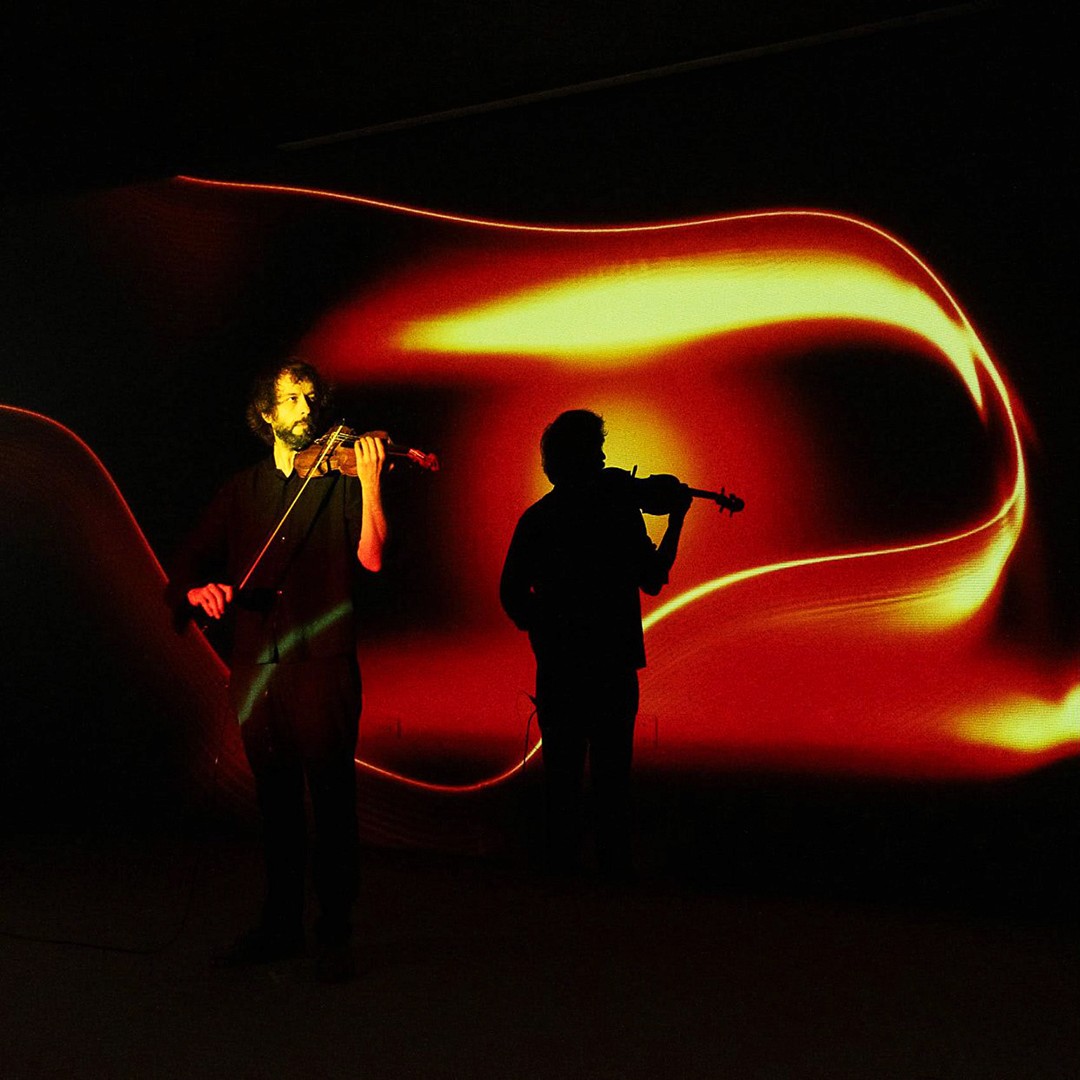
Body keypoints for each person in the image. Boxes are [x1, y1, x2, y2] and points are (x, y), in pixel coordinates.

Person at [167, 358, 387, 981]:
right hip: (257, 664)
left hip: (324, 664)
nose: (306, 410)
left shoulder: (342, 482)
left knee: (333, 796)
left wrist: (370, 485)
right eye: (292, 400)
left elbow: (371, 560)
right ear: (266, 415)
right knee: (278, 801)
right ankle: (280, 924)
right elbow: (186, 562)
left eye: (312, 399)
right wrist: (196, 593)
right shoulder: (241, 490)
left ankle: (335, 930)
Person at [499, 409, 692, 881]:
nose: (606, 458)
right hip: (612, 662)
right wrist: (676, 521)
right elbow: (653, 580)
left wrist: (543, 631)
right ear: (583, 455)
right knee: (612, 777)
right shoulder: (618, 509)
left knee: (561, 776)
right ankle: (613, 872)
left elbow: (509, 593)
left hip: (560, 667)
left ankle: (560, 870)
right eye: (597, 449)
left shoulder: (538, 518)